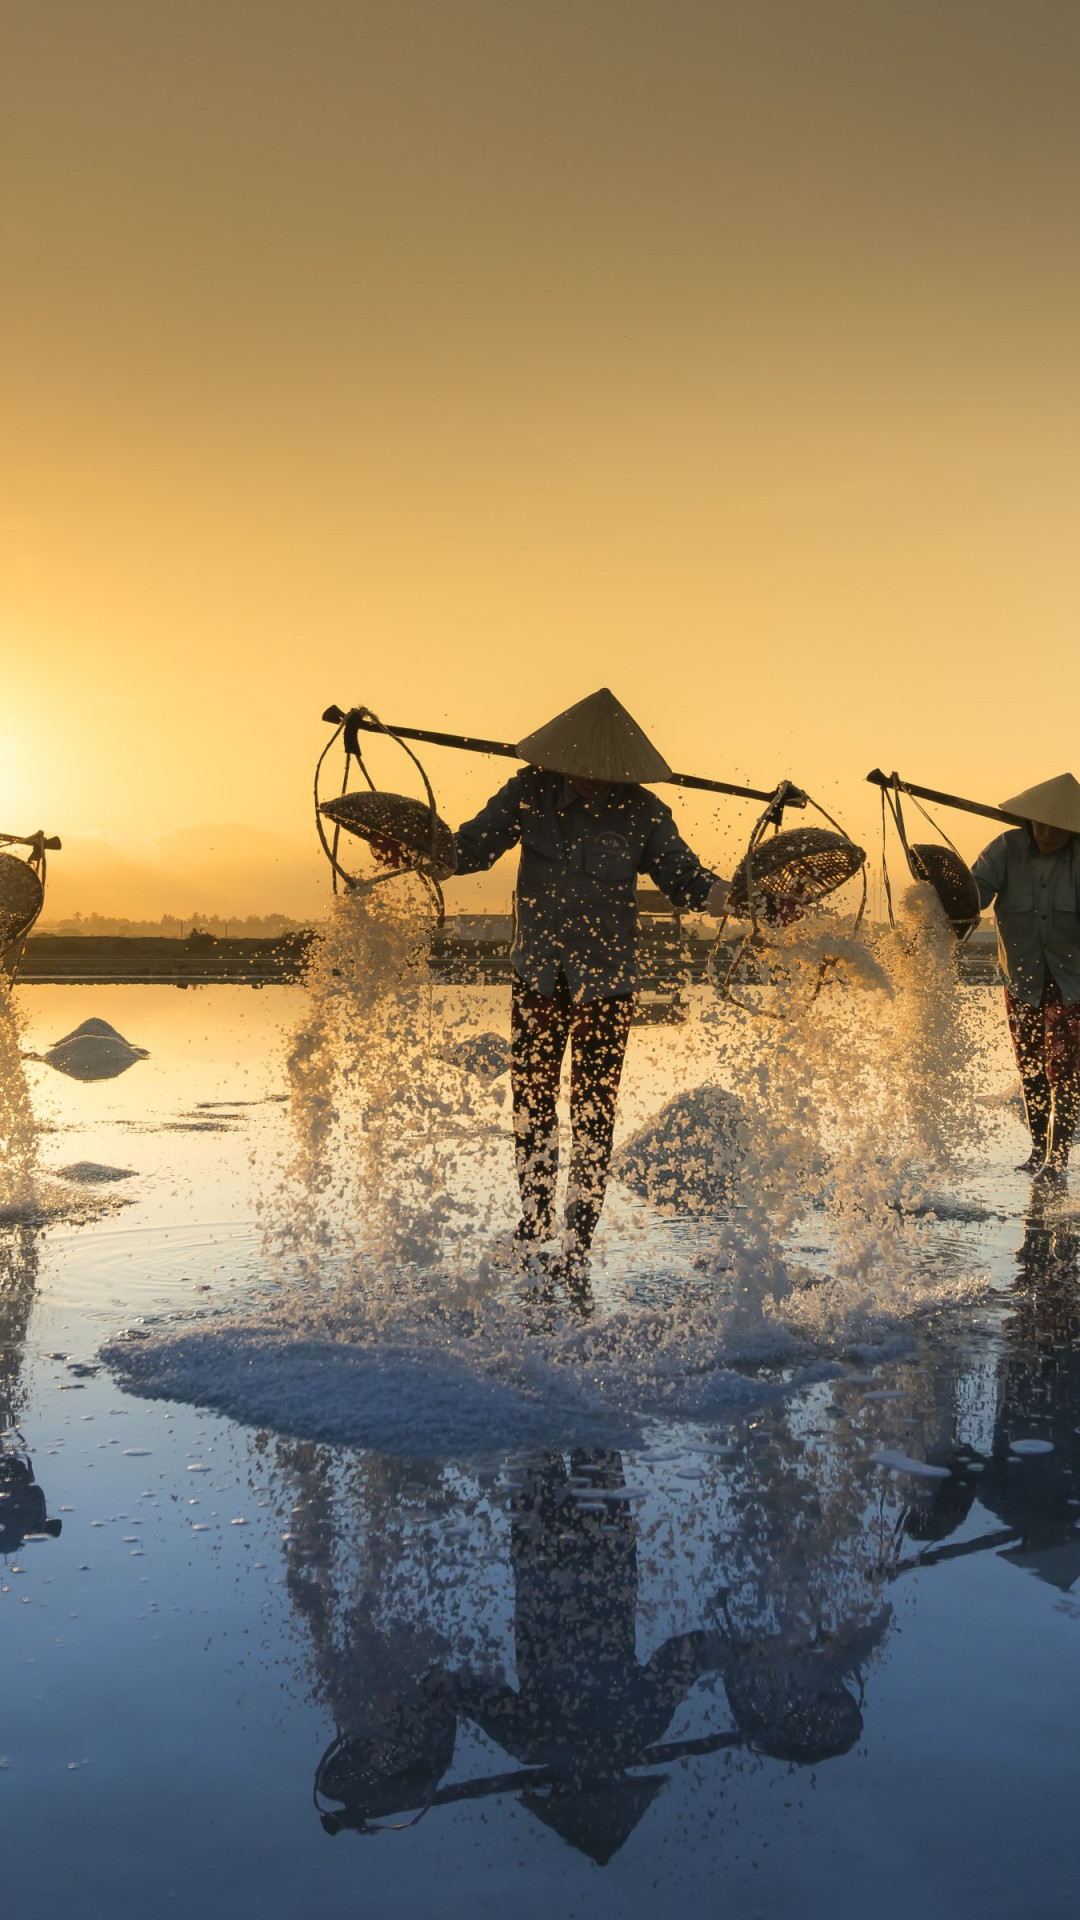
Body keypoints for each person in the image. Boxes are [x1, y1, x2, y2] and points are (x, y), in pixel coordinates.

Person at [452, 689, 731, 1279]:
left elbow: (684, 877)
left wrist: (727, 895)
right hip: (536, 976)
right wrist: (417, 846)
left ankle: (578, 1243)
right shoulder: (528, 791)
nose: (591, 782)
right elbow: (469, 849)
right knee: (531, 1104)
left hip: (606, 986)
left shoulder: (643, 812)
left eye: (602, 775)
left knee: (593, 1111)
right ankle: (533, 1223)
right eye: (580, 771)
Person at [972, 773, 1080, 1178]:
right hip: (1023, 979)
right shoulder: (1006, 848)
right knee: (1031, 1068)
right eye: (1040, 824)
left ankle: (1058, 1159)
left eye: (1058, 827)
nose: (1047, 833)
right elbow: (975, 893)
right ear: (1028, 820)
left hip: (1073, 983)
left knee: (1065, 1074)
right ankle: (1038, 1152)